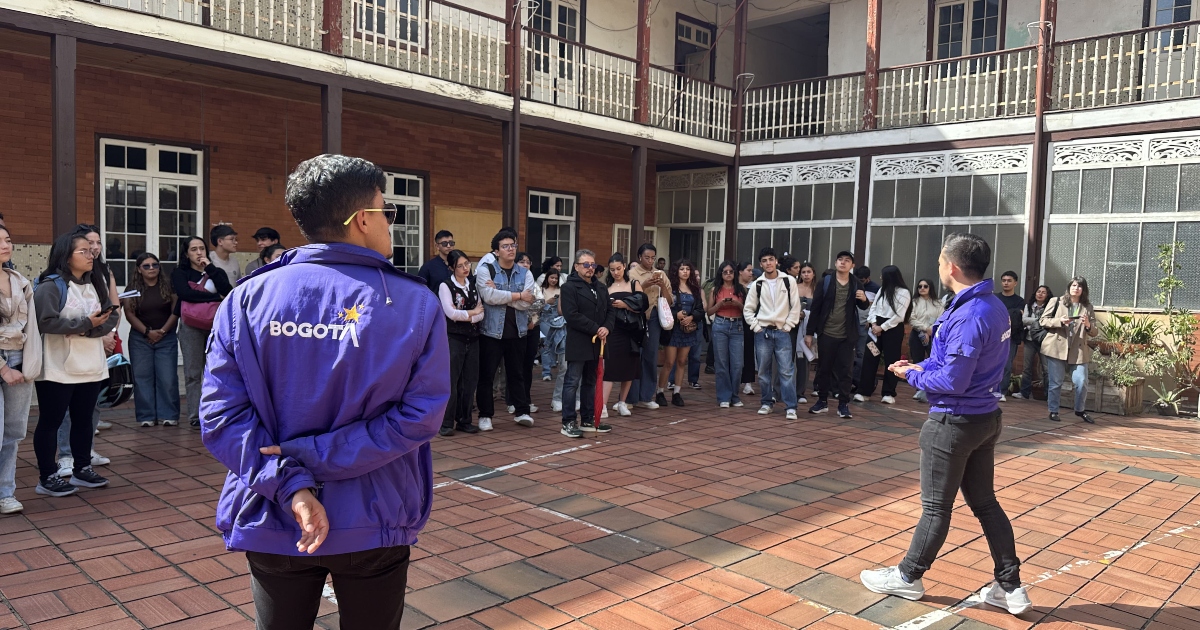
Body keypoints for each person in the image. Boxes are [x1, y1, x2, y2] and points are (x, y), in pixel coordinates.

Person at [201, 154, 448, 629]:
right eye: (387, 211)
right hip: (374, 512)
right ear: (362, 219)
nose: (391, 222)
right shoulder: (414, 302)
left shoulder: (247, 298)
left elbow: (221, 417)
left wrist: (291, 480)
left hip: (275, 509)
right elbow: (421, 415)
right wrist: (308, 461)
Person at [860, 233, 1030, 617]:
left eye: (939, 261)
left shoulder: (970, 314)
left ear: (951, 266)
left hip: (954, 421)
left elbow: (953, 381)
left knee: (936, 508)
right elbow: (955, 362)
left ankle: (908, 577)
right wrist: (919, 366)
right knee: (985, 503)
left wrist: (912, 376)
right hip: (984, 417)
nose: (937, 267)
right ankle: (1010, 587)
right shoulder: (990, 305)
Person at [33, 231, 120, 497]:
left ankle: (82, 469)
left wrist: (89, 329)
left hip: (91, 364)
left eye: (91, 250)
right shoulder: (51, 285)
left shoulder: (95, 282)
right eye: (83, 251)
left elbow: (110, 315)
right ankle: (48, 476)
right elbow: (45, 322)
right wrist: (85, 324)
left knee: (84, 421)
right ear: (66, 256)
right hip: (58, 367)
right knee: (51, 422)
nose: (91, 255)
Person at [55, 224, 119, 475]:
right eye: (88, 244)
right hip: (72, 349)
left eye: (97, 243)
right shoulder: (62, 279)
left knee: (91, 404)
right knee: (67, 407)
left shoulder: (103, 270)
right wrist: (92, 331)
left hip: (98, 343)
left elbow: (112, 308)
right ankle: (66, 455)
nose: (94, 248)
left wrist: (108, 334)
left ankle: (86, 450)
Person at [475, 229, 536, 431]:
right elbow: (488, 297)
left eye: (513, 245)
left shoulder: (525, 273)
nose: (511, 249)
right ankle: (485, 415)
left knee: (517, 374)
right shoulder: (486, 270)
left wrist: (501, 294)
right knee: (487, 375)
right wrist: (517, 295)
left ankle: (522, 412)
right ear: (496, 251)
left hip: (517, 332)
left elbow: (527, 303)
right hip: (491, 332)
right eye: (505, 246)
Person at [172, 236, 234, 429]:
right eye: (194, 249)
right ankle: (195, 414)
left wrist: (210, 268)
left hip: (215, 325)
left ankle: (215, 411)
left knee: (216, 369)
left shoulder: (216, 271)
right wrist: (215, 298)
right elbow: (185, 294)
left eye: (202, 248)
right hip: (190, 326)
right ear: (186, 254)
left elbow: (228, 291)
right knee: (192, 372)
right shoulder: (180, 273)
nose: (199, 252)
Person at [0, 225, 39, 513]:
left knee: (13, 431)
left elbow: (32, 328)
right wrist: (4, 369)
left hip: (19, 357)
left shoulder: (20, 281)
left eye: (8, 240)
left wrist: (30, 363)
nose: (5, 245)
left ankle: (6, 492)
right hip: (4, 363)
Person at [806, 252, 869, 418]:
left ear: (852, 265)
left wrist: (864, 299)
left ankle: (843, 404)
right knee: (824, 369)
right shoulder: (826, 281)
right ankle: (822, 401)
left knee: (846, 371)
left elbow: (863, 307)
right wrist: (809, 333)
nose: (843, 262)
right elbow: (816, 308)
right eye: (840, 260)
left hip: (847, 336)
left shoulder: (856, 283)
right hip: (826, 333)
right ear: (835, 263)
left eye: (847, 260)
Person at [559, 250, 613, 438]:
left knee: (591, 381)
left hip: (598, 342)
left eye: (593, 265)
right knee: (572, 381)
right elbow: (571, 315)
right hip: (579, 341)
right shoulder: (569, 287)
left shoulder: (601, 287)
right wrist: (596, 328)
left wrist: (606, 328)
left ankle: (588, 419)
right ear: (576, 267)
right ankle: (568, 421)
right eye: (586, 265)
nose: (590, 268)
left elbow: (610, 311)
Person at [123, 253, 181, 428]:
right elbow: (129, 313)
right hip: (140, 338)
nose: (151, 268)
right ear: (139, 269)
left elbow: (176, 311)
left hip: (166, 337)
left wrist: (162, 331)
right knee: (142, 378)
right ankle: (146, 416)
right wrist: (147, 332)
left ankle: (168, 415)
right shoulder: (132, 288)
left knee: (167, 378)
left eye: (155, 265)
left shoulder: (169, 286)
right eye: (146, 266)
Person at [743, 248, 802, 419]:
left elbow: (795, 306)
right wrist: (756, 327)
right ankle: (766, 403)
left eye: (771, 259)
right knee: (763, 372)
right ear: (760, 264)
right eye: (764, 260)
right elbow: (748, 309)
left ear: (776, 261)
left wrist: (788, 325)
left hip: (782, 332)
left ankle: (791, 407)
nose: (768, 263)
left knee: (786, 371)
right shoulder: (757, 284)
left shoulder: (789, 281)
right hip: (763, 332)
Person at [439, 249, 484, 436]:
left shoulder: (472, 285)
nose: (465, 268)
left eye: (467, 264)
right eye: (460, 266)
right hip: (454, 339)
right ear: (452, 268)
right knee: (452, 381)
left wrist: (468, 316)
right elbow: (451, 313)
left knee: (470, 381)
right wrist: (472, 313)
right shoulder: (446, 286)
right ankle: (446, 422)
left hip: (472, 338)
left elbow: (481, 312)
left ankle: (465, 420)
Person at [1040, 277, 1098, 424]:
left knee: (1081, 381)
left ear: (1083, 290)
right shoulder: (1056, 301)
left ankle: (1080, 410)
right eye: (1073, 285)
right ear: (1069, 287)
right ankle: (1053, 411)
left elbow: (1094, 331)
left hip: (1078, 349)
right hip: (1057, 347)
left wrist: (1088, 325)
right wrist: (1059, 321)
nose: (1076, 288)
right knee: (1056, 382)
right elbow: (1043, 320)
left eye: (1079, 286)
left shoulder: (1087, 307)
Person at [858, 265, 911, 404]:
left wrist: (882, 327)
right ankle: (864, 391)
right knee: (870, 357)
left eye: (883, 275)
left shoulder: (904, 292)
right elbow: (873, 308)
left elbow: (899, 316)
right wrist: (874, 324)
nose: (881, 278)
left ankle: (888, 393)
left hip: (892, 330)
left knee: (891, 360)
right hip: (875, 329)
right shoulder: (882, 290)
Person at [628, 244, 672, 410]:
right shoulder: (632, 273)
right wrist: (645, 284)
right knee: (634, 356)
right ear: (640, 257)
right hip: (636, 317)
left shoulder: (661, 274)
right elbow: (628, 295)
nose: (650, 261)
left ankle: (646, 396)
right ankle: (630, 398)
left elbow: (670, 300)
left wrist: (662, 285)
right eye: (647, 257)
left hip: (654, 317)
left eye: (653, 258)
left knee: (651, 356)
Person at [602, 253, 644, 417]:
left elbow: (642, 306)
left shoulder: (633, 284)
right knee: (609, 368)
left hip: (631, 330)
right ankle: (603, 405)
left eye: (618, 268)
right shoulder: (606, 288)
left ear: (624, 266)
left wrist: (625, 304)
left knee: (629, 368)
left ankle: (622, 402)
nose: (616, 272)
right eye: (612, 269)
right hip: (613, 330)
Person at [657, 260, 704, 407]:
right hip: (673, 329)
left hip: (688, 329)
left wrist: (692, 317)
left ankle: (677, 393)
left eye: (688, 269)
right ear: (676, 271)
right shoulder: (671, 287)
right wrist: (675, 314)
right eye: (682, 269)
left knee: (682, 361)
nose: (685, 271)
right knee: (669, 362)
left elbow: (700, 309)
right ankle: (660, 392)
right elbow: (663, 306)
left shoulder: (694, 289)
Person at [707, 261, 745, 408]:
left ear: (735, 273)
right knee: (721, 363)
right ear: (721, 274)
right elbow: (709, 311)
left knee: (737, 364)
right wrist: (720, 304)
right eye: (725, 272)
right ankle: (724, 396)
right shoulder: (715, 290)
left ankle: (734, 396)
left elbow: (747, 311)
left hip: (737, 326)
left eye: (731, 272)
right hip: (720, 324)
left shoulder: (741, 289)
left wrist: (737, 304)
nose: (728, 274)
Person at [514, 252, 543, 416]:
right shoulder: (513, 280)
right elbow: (514, 303)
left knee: (528, 366)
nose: (525, 264)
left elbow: (540, 302)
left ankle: (527, 399)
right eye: (522, 261)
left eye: (528, 262)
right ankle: (513, 401)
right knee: (515, 366)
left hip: (534, 327)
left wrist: (532, 320)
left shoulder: (534, 282)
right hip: (517, 327)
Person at [907, 279, 944, 404]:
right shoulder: (914, 302)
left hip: (934, 335)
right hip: (917, 334)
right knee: (917, 361)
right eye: (920, 286)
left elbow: (941, 318)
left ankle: (931, 388)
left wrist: (931, 330)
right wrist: (924, 329)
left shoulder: (938, 303)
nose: (922, 288)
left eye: (925, 286)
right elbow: (911, 318)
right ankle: (919, 389)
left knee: (934, 360)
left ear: (930, 287)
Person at [1014, 285, 1054, 401]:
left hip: (1044, 340)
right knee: (1026, 368)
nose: (1040, 294)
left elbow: (1050, 321)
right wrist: (1040, 320)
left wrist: (1034, 322)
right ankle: (1024, 393)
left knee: (1046, 369)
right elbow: (1024, 320)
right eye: (1038, 291)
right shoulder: (1028, 306)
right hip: (1029, 339)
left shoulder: (1050, 307)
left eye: (1043, 292)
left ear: (1047, 295)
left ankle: (1049, 395)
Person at [995, 271, 1025, 401]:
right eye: (1004, 280)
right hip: (994, 336)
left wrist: (1006, 314)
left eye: (1009, 280)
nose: (1006, 283)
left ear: (1015, 283)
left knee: (1006, 364)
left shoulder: (1019, 301)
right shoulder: (995, 298)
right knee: (991, 363)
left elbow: (1018, 317)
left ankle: (1001, 391)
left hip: (1011, 337)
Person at [851, 265, 880, 399]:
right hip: (853, 325)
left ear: (868, 278)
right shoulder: (852, 285)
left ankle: (866, 383)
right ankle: (853, 381)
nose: (860, 282)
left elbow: (879, 307)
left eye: (862, 280)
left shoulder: (876, 288)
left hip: (868, 327)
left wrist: (872, 321)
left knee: (867, 353)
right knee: (852, 355)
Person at [540, 270, 567, 411]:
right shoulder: (542, 289)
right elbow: (538, 307)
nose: (554, 280)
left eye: (556, 278)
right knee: (546, 344)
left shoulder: (562, 290)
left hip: (559, 322)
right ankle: (546, 371)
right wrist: (547, 302)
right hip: (546, 320)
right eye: (551, 277)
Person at [795, 262, 816, 405]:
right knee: (788, 358)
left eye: (809, 272)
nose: (806, 275)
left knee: (804, 360)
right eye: (803, 272)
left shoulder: (817, 290)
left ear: (813, 273)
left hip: (809, 328)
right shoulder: (794, 288)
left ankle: (800, 392)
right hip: (792, 326)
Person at [738, 262, 757, 396]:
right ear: (740, 271)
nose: (751, 273)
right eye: (748, 270)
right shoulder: (734, 286)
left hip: (749, 322)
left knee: (748, 351)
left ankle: (748, 383)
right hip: (734, 320)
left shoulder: (754, 286)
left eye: (752, 271)